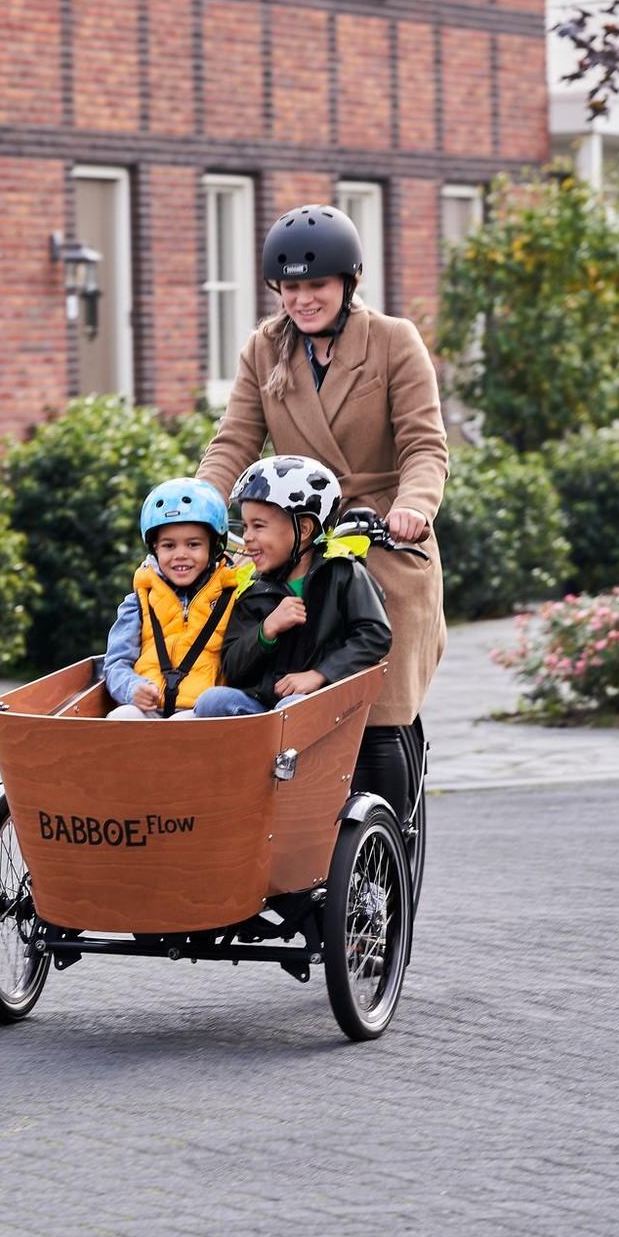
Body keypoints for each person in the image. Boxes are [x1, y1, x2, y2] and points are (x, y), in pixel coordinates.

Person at [195, 203, 447, 818]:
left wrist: (412, 507)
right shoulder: (265, 348)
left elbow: (424, 444)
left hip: (382, 537)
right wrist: (196, 510)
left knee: (381, 700)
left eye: (317, 286)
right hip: (298, 537)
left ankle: (391, 846)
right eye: (291, 288)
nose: (303, 300)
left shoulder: (393, 341)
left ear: (347, 283)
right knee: (263, 674)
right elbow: (235, 439)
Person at [195, 455, 391, 717]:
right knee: (212, 701)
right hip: (263, 707)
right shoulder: (252, 589)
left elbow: (374, 634)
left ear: (304, 528)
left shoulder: (342, 573)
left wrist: (320, 674)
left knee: (294, 708)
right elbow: (232, 666)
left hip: (321, 701)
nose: (248, 537)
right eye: (245, 526)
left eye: (259, 526)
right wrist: (266, 630)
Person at [101, 478, 243, 719]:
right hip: (150, 708)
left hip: (202, 714)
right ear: (155, 548)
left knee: (180, 724)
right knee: (122, 717)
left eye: (193, 544)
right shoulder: (139, 600)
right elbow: (116, 663)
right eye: (169, 546)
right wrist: (132, 688)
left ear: (214, 546)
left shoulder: (232, 597)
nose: (180, 555)